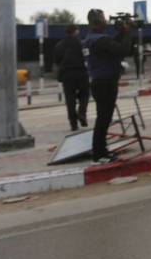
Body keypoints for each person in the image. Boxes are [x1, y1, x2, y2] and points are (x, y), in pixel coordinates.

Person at [83, 9, 132, 162]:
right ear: (98, 22)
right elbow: (123, 50)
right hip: (106, 83)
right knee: (103, 119)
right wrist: (127, 32)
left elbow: (110, 46)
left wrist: (121, 33)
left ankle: (101, 150)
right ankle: (99, 153)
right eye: (104, 19)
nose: (106, 22)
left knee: (103, 118)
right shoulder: (100, 40)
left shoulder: (90, 39)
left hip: (98, 81)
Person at [54, 24, 89, 131]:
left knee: (70, 99)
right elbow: (87, 57)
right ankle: (82, 113)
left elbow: (56, 60)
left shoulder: (60, 45)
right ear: (76, 31)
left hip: (66, 75)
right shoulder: (81, 43)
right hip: (81, 73)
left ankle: (73, 124)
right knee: (85, 94)